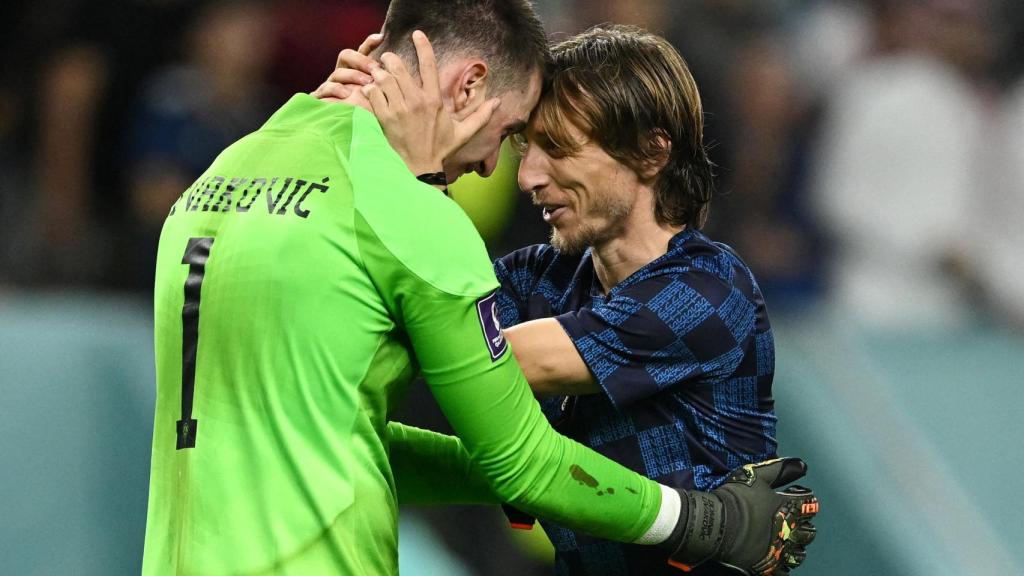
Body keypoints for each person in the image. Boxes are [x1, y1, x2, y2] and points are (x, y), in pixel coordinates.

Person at [144, 1, 817, 575]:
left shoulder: (229, 171)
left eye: (557, 148)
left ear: (651, 152)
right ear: (465, 87)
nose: (509, 172)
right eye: (515, 137)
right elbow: (508, 430)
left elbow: (381, 403)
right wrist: (704, 521)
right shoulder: (435, 236)